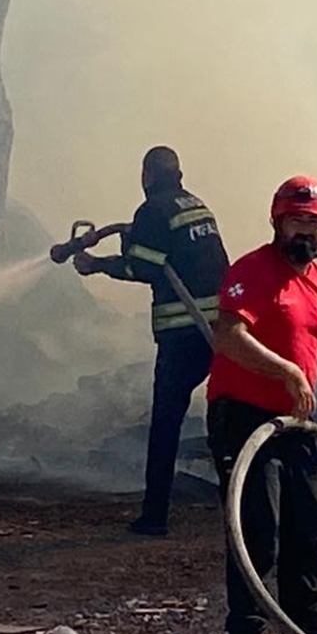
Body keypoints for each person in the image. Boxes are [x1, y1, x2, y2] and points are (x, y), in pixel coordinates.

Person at [206, 175, 317, 634]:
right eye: (297, 222)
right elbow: (228, 335)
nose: (306, 234)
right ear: (277, 221)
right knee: (257, 527)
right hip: (244, 417)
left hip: (297, 424)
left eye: (315, 224)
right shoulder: (251, 272)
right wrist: (288, 371)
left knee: (307, 527)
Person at [73, 146, 229, 536]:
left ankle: (154, 516)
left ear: (146, 175)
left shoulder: (154, 211)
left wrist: (96, 266)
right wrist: (128, 234)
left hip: (183, 334)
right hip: (221, 331)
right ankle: (239, 503)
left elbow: (141, 267)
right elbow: (173, 252)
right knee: (228, 417)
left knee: (165, 424)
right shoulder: (195, 205)